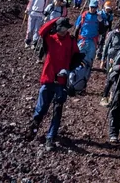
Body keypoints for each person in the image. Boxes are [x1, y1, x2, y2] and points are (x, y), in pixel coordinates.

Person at [30, 16, 80, 150]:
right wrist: (57, 18)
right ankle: (35, 123)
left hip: (62, 81)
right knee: (42, 106)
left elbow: (76, 57)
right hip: (48, 78)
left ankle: (50, 137)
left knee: (57, 110)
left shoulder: (71, 41)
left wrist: (70, 72)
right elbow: (41, 31)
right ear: (57, 28)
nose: (64, 31)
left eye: (66, 28)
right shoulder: (50, 39)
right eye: (62, 28)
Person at [99, 19, 120, 103]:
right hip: (111, 58)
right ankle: (104, 97)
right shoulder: (112, 34)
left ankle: (112, 97)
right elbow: (106, 46)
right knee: (110, 77)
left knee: (117, 78)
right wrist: (102, 59)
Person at [75, 0, 103, 66]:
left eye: (95, 7)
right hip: (82, 40)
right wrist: (75, 41)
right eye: (92, 7)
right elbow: (77, 29)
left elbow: (102, 31)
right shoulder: (83, 16)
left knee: (89, 62)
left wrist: (101, 22)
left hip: (93, 42)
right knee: (78, 59)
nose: (93, 9)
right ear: (89, 6)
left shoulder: (98, 17)